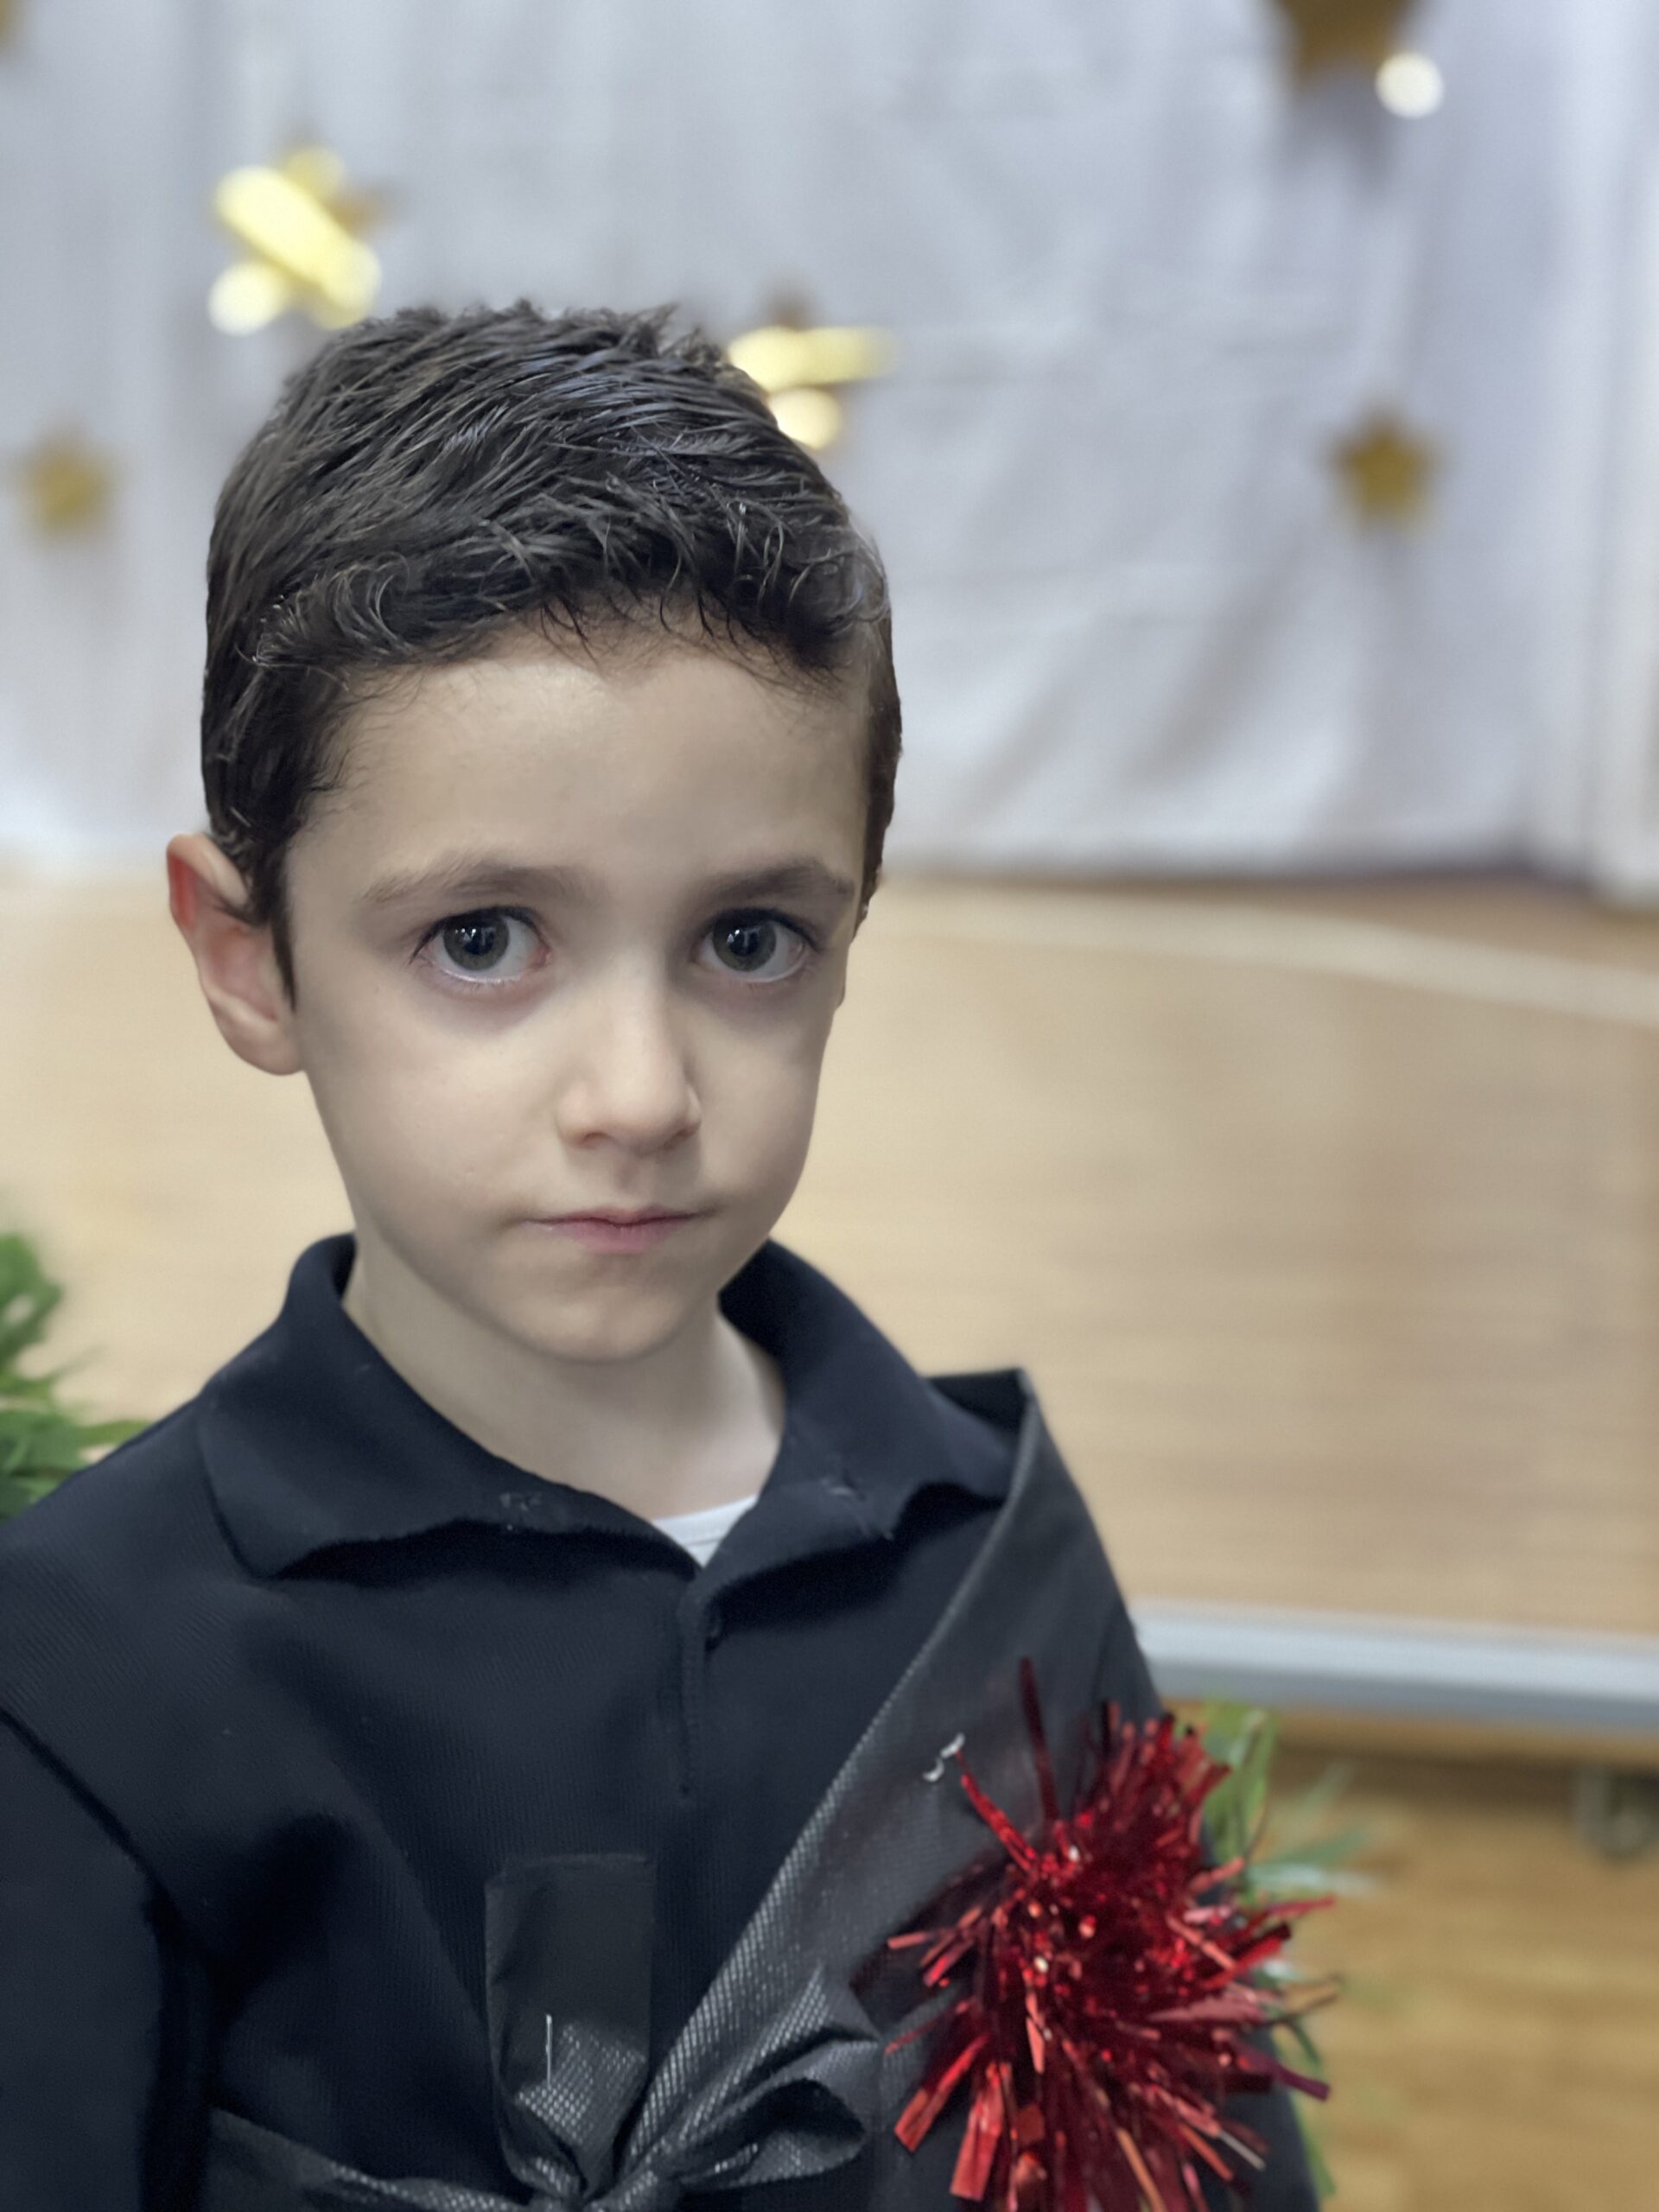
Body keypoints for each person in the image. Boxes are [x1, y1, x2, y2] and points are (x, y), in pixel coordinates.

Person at [0, 304, 1319, 2209]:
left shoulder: (988, 1557)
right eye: (483, 940)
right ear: (248, 954)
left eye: (746, 940)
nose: (639, 1093)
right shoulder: (81, 1659)